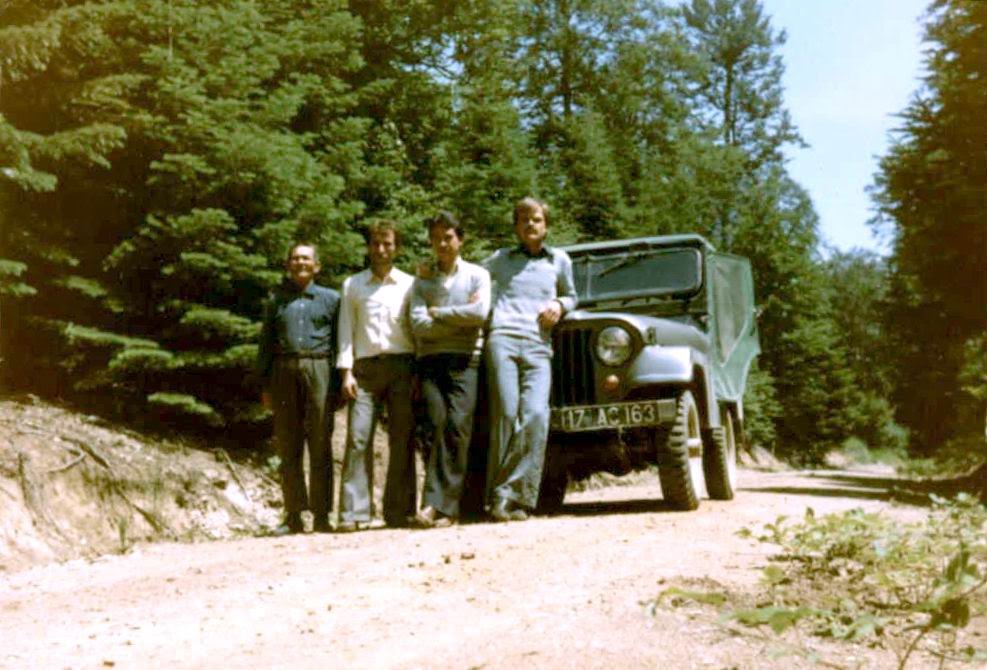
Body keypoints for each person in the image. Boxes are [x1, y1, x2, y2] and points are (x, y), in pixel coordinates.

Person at [483, 197, 576, 522]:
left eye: (536, 219)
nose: (530, 225)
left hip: (539, 345)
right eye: (523, 220)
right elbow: (470, 279)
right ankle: (500, 498)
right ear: (516, 226)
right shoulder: (500, 259)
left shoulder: (560, 261)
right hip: (503, 340)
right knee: (507, 414)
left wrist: (561, 305)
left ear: (546, 224)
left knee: (536, 415)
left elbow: (572, 294)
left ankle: (516, 495)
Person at [410, 212, 491, 528]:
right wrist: (458, 320)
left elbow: (479, 314)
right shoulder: (423, 279)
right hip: (431, 361)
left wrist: (439, 314)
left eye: (448, 237)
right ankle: (442, 506)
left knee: (458, 427)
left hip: (466, 360)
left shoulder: (477, 275)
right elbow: (418, 324)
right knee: (438, 424)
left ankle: (439, 506)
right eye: (436, 238)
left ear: (460, 239)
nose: (442, 244)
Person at [336, 220, 417, 531]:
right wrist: (346, 373)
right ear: (368, 247)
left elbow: (416, 330)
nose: (381, 250)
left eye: (387, 244)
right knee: (358, 437)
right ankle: (354, 512)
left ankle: (399, 512)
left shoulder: (410, 284)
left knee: (402, 438)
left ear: (397, 247)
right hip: (365, 371)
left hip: (402, 367)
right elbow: (346, 330)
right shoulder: (353, 285)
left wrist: (416, 373)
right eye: (375, 244)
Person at [256, 242, 341, 535]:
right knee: (288, 445)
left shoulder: (332, 299)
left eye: (305, 258)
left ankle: (321, 515)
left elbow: (341, 342)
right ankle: (293, 514)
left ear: (316, 265)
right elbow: (265, 344)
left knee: (320, 444)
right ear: (288, 265)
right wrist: (265, 384)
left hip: (320, 370)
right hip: (284, 372)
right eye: (294, 258)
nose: (300, 263)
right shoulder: (276, 300)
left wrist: (340, 382)